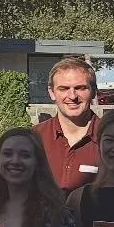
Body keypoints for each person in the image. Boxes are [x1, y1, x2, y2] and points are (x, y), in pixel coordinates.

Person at [34, 57, 100, 191]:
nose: (72, 96)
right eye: (64, 88)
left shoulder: (112, 140)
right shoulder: (34, 138)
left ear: (93, 91)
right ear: (52, 93)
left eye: (80, 88)